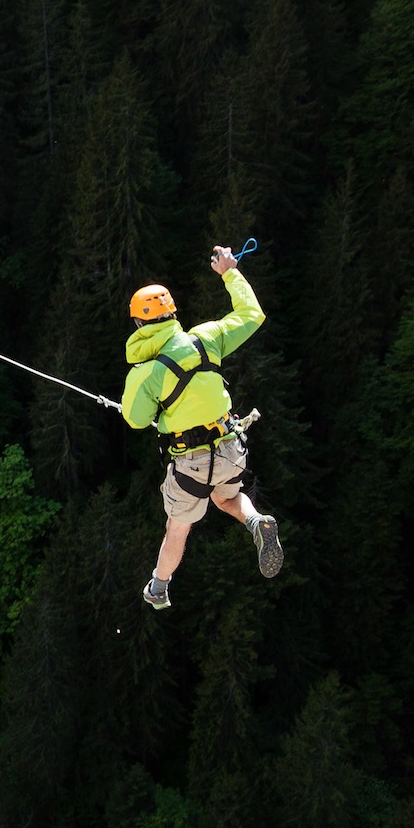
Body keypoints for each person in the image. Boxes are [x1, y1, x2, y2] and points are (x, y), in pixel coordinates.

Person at [122, 244, 282, 609]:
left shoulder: (145, 373)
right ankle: (255, 520)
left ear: (138, 325)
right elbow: (251, 315)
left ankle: (159, 588)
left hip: (189, 462)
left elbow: (134, 419)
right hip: (230, 446)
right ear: (173, 314)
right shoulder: (206, 337)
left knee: (177, 528)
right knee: (225, 497)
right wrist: (229, 271)